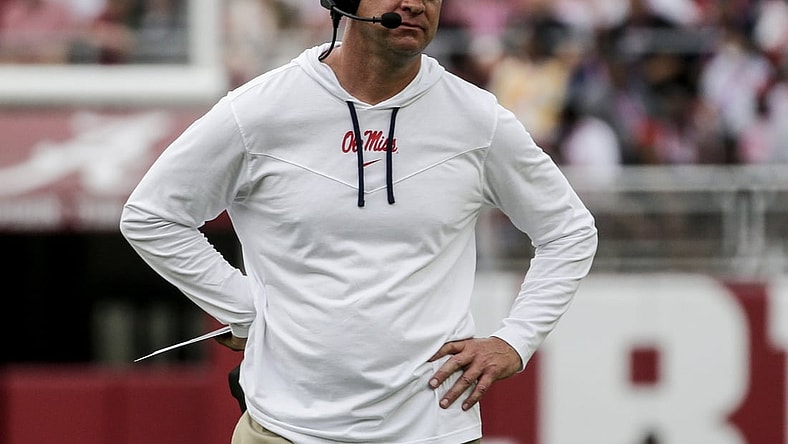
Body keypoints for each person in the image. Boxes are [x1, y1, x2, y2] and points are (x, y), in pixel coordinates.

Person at [119, 0, 598, 442]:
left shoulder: (477, 118)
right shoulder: (259, 109)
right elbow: (152, 215)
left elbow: (569, 232)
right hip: (283, 429)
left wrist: (515, 340)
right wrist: (244, 307)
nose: (415, 3)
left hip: (432, 429)